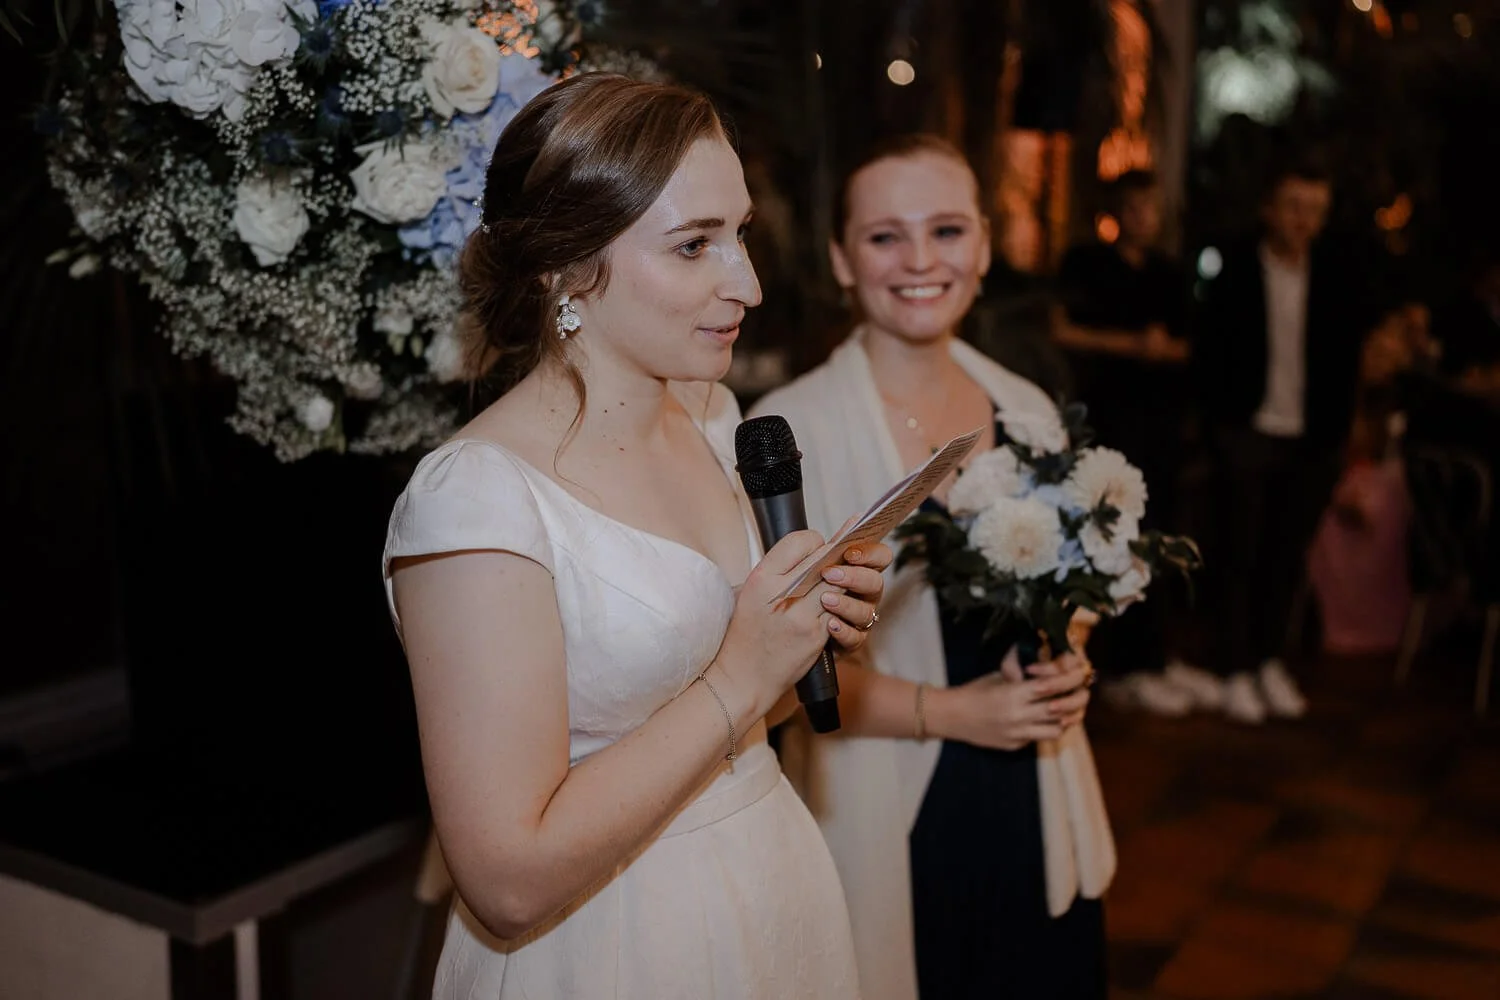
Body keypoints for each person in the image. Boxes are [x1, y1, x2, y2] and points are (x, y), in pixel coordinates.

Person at [381, 74, 891, 999]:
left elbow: (730, 725)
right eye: (696, 245)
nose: (748, 282)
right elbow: (504, 880)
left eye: (740, 234)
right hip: (614, 943)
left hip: (771, 881)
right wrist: (742, 670)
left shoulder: (711, 416)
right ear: (568, 269)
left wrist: (802, 638)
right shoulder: (476, 503)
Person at [751, 133, 1111, 1000]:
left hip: (1038, 786)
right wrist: (955, 714)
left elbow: (1068, 591)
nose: (919, 260)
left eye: (947, 231)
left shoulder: (1029, 412)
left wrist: (1074, 652)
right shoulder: (788, 433)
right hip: (894, 804)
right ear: (842, 258)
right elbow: (780, 683)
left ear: (984, 246)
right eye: (884, 237)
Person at [1191, 154, 1373, 723]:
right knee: (1239, 551)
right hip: (1247, 429)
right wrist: (1218, 425)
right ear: (1270, 208)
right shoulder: (1238, 267)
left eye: (1315, 210)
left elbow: (1348, 359)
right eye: (1295, 206)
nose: (1304, 220)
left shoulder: (1338, 272)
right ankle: (1234, 667)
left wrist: (1342, 433)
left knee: (1286, 555)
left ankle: (1269, 659)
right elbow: (1209, 349)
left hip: (1312, 436)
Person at [1053, 169, 1205, 717]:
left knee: (1156, 534)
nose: (1145, 217)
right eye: (1135, 207)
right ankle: (1116, 664)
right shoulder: (1087, 265)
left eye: (1152, 207)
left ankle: (1152, 656)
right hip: (1108, 421)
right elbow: (1061, 329)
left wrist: (1164, 351)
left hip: (1160, 423)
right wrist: (1130, 344)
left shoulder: (1170, 272)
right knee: (1108, 534)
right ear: (1119, 211)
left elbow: (1192, 344)